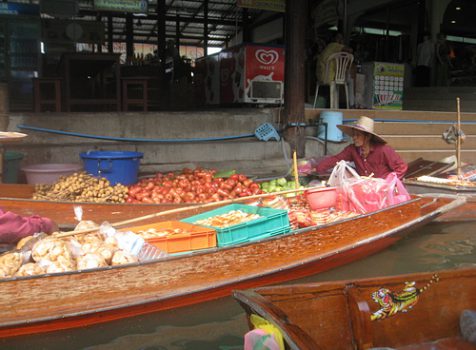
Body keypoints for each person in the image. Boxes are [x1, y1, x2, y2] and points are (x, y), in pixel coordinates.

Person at [315, 116, 408, 179]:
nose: (354, 138)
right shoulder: (352, 150)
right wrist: (318, 169)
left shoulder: (383, 150)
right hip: (365, 189)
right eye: (354, 135)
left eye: (358, 135)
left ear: (367, 137)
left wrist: (388, 182)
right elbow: (336, 159)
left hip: (383, 190)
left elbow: (402, 167)